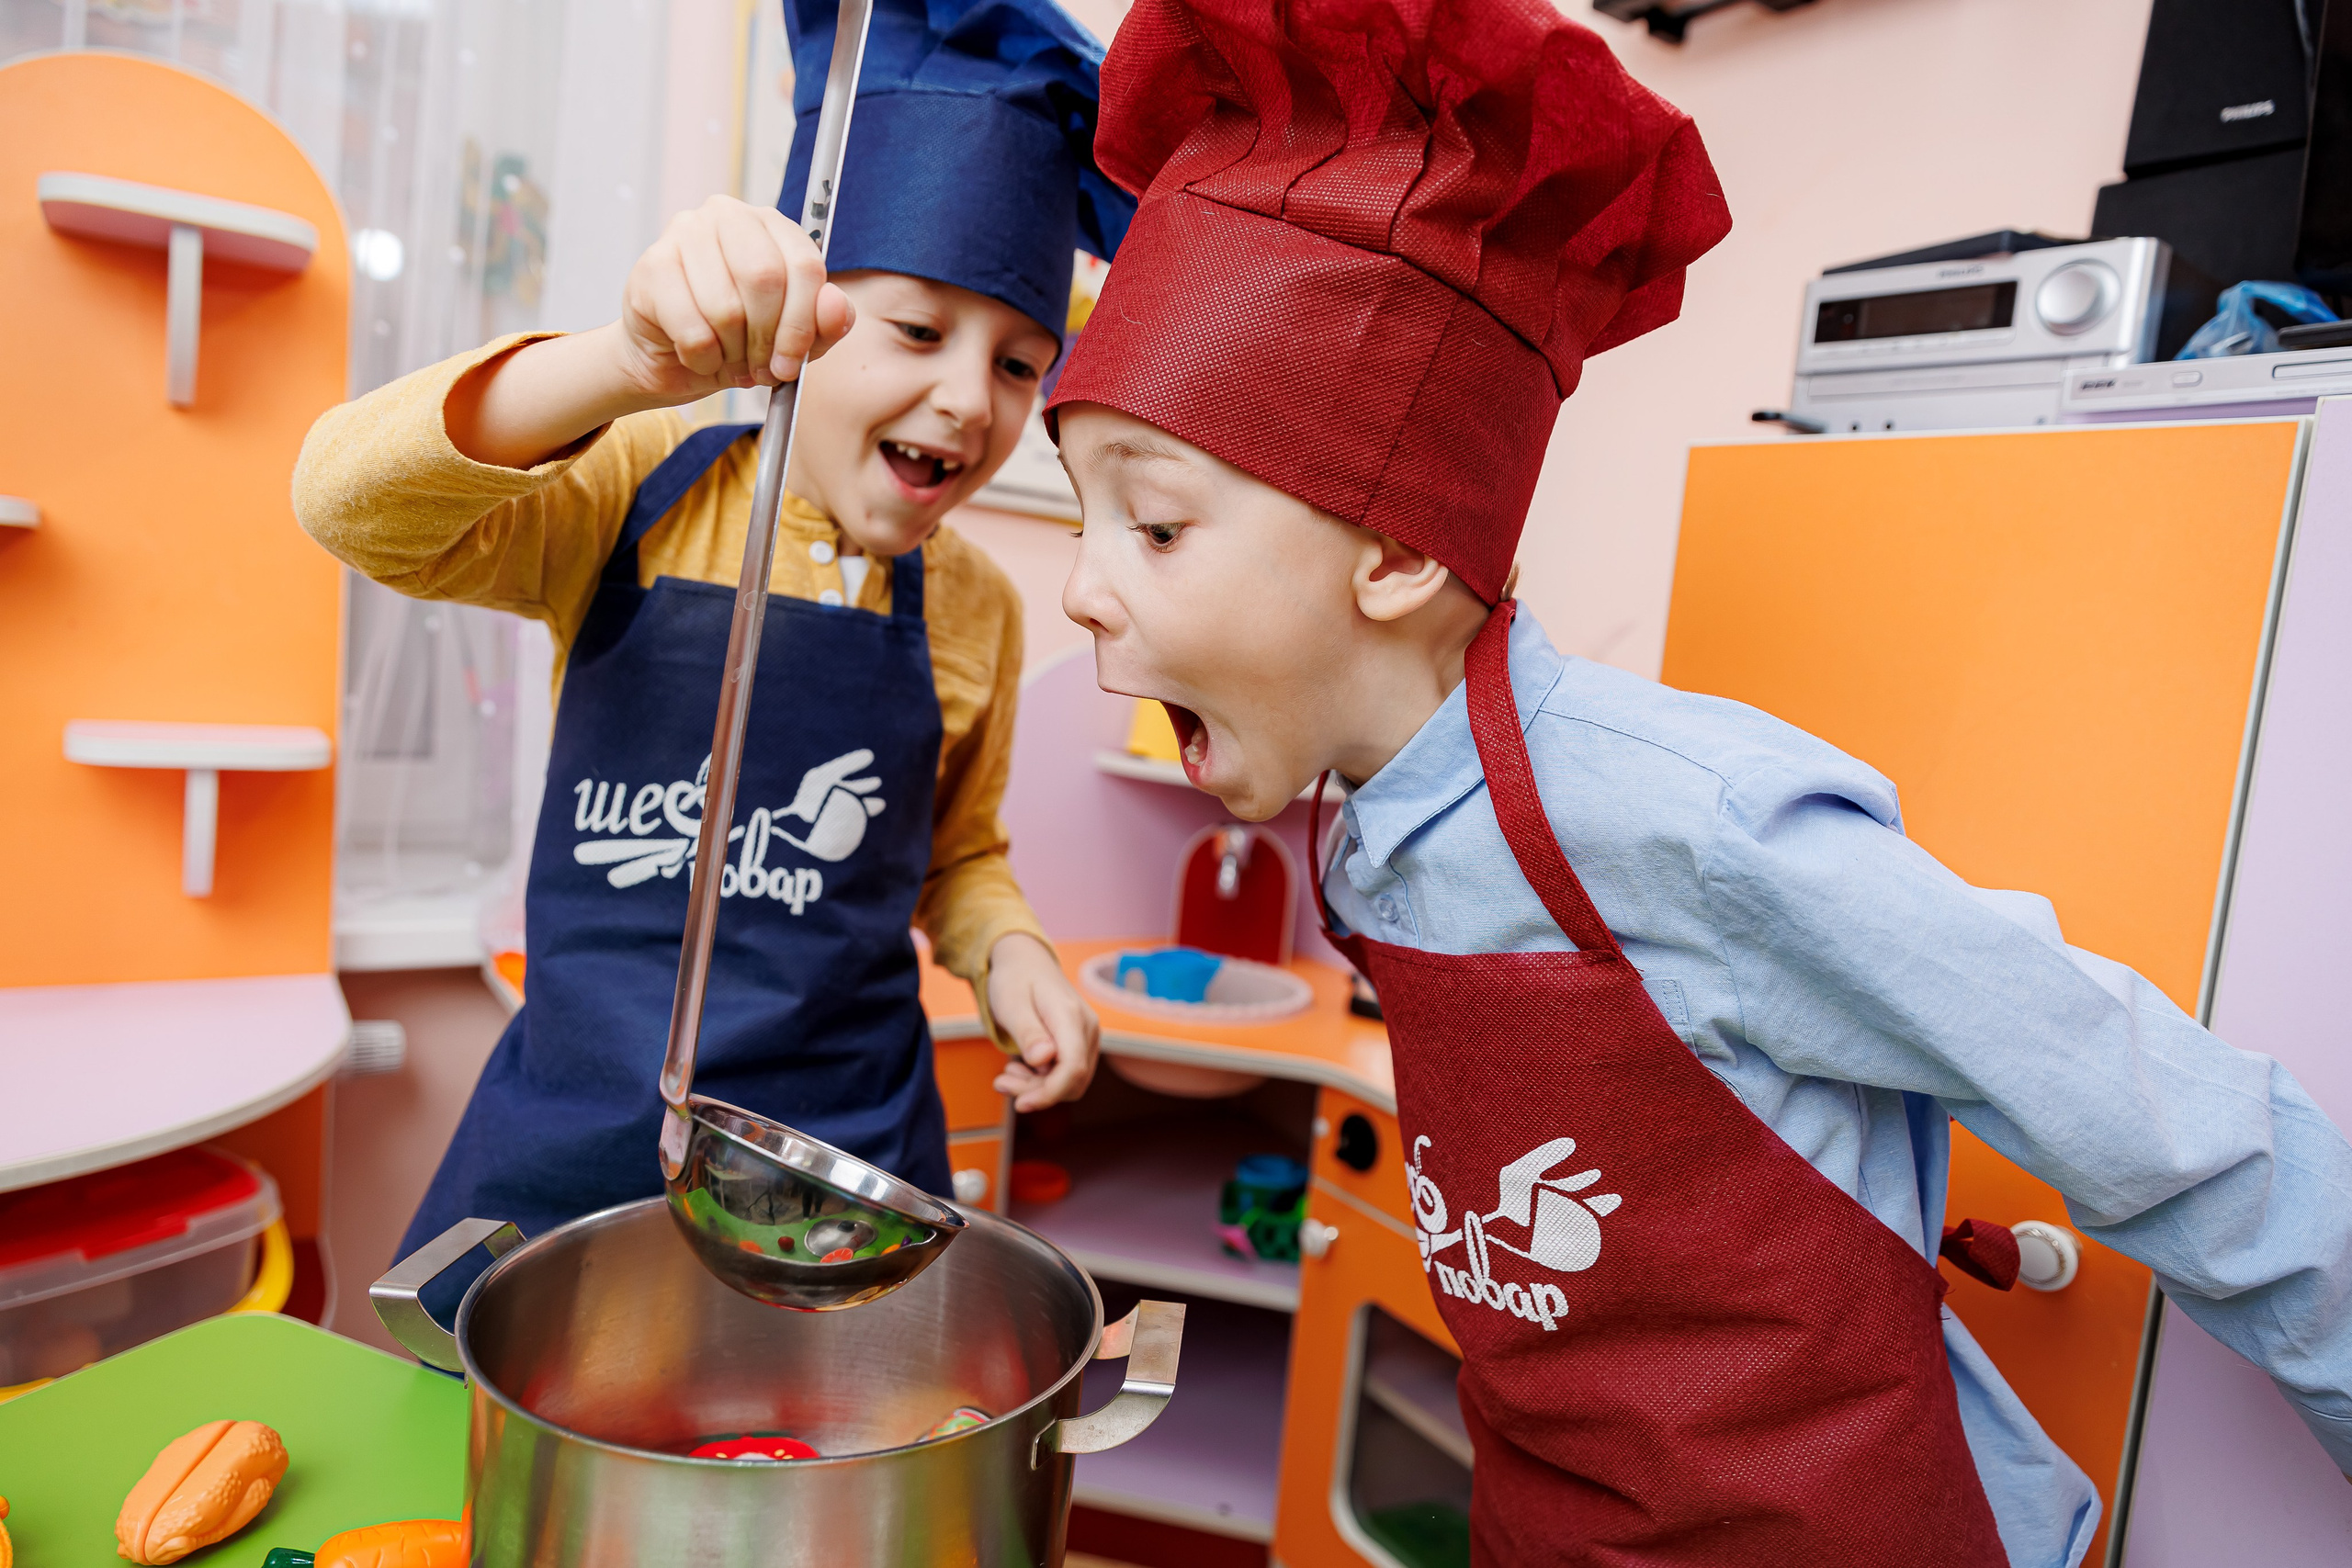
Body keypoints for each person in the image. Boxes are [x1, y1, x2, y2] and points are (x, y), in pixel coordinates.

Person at [1041, 0, 2352, 1561]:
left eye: (1160, 526)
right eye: (1082, 515)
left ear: (1391, 550)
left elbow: (2174, 1123)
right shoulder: (1364, 827)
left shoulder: (1693, 822)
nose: (1083, 593)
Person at [295, 0, 1130, 1252]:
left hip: (843, 1176)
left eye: (1022, 364)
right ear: (805, 313)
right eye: (917, 330)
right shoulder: (635, 490)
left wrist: (1008, 951)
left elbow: (956, 854)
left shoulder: (979, 608)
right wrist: (624, 362)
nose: (969, 399)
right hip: (580, 1153)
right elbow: (349, 505)